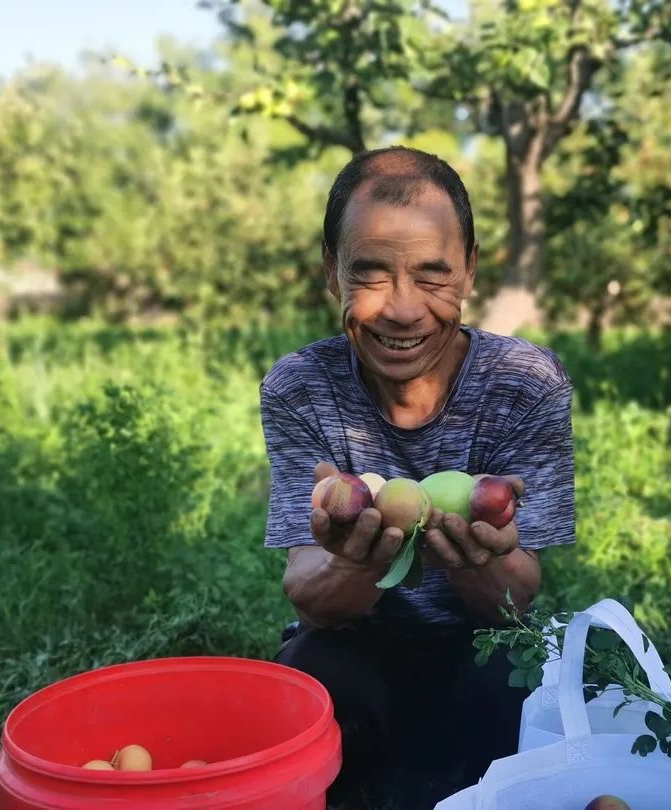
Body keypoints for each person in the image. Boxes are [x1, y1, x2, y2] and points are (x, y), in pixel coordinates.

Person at [259, 145, 575, 808]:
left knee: (518, 683)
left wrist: (472, 561)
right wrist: (356, 561)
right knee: (311, 680)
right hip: (359, 649)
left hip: (477, 649)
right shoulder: (300, 387)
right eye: (370, 275)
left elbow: (512, 607)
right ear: (331, 271)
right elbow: (310, 601)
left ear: (469, 270)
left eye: (433, 276)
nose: (402, 311)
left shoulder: (525, 385)